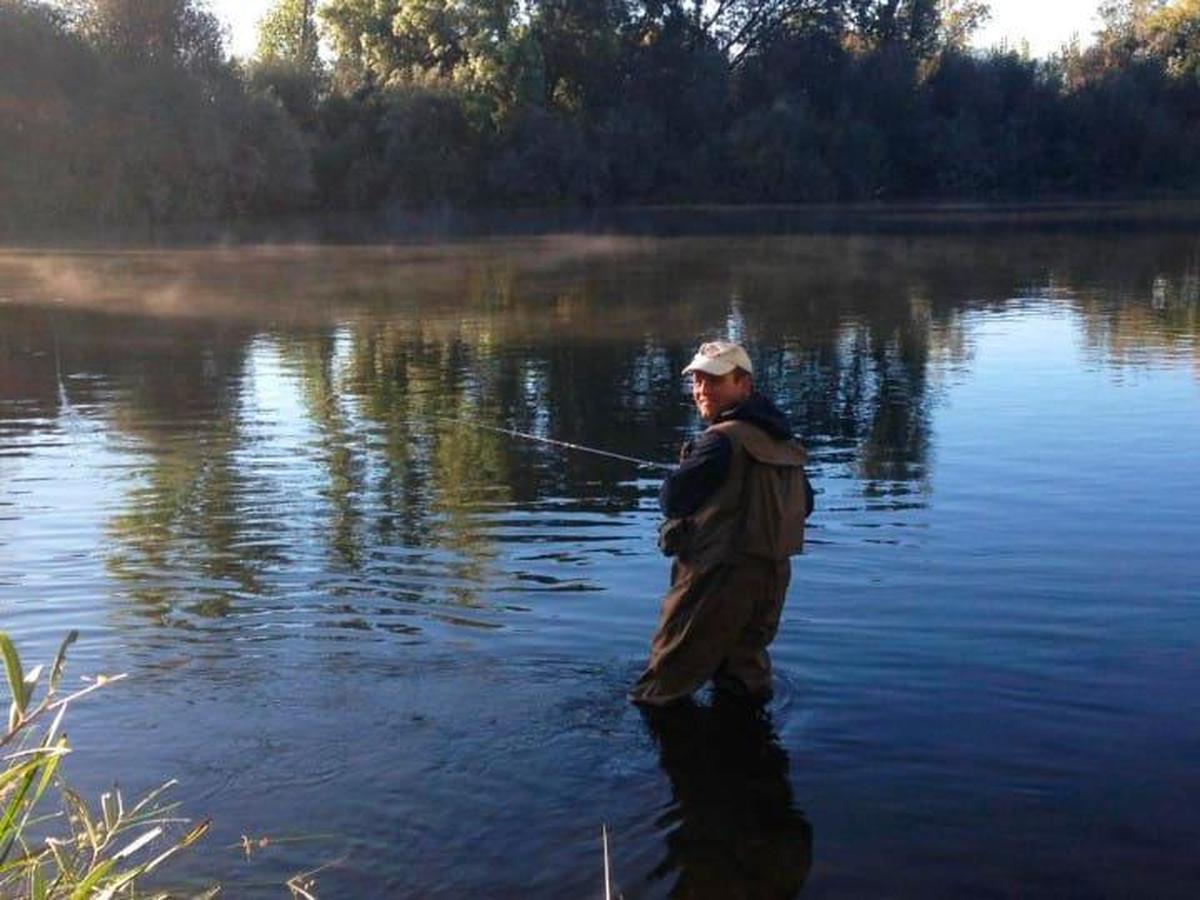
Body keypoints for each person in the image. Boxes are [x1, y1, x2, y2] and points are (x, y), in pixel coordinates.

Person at [630, 340, 812, 706]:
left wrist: (684, 471)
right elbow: (806, 503)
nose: (701, 390)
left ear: (744, 384)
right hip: (772, 578)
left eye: (714, 381)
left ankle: (668, 761)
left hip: (716, 578)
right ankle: (747, 758)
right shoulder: (783, 439)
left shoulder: (720, 441)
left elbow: (671, 501)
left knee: (662, 687)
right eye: (697, 381)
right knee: (744, 679)